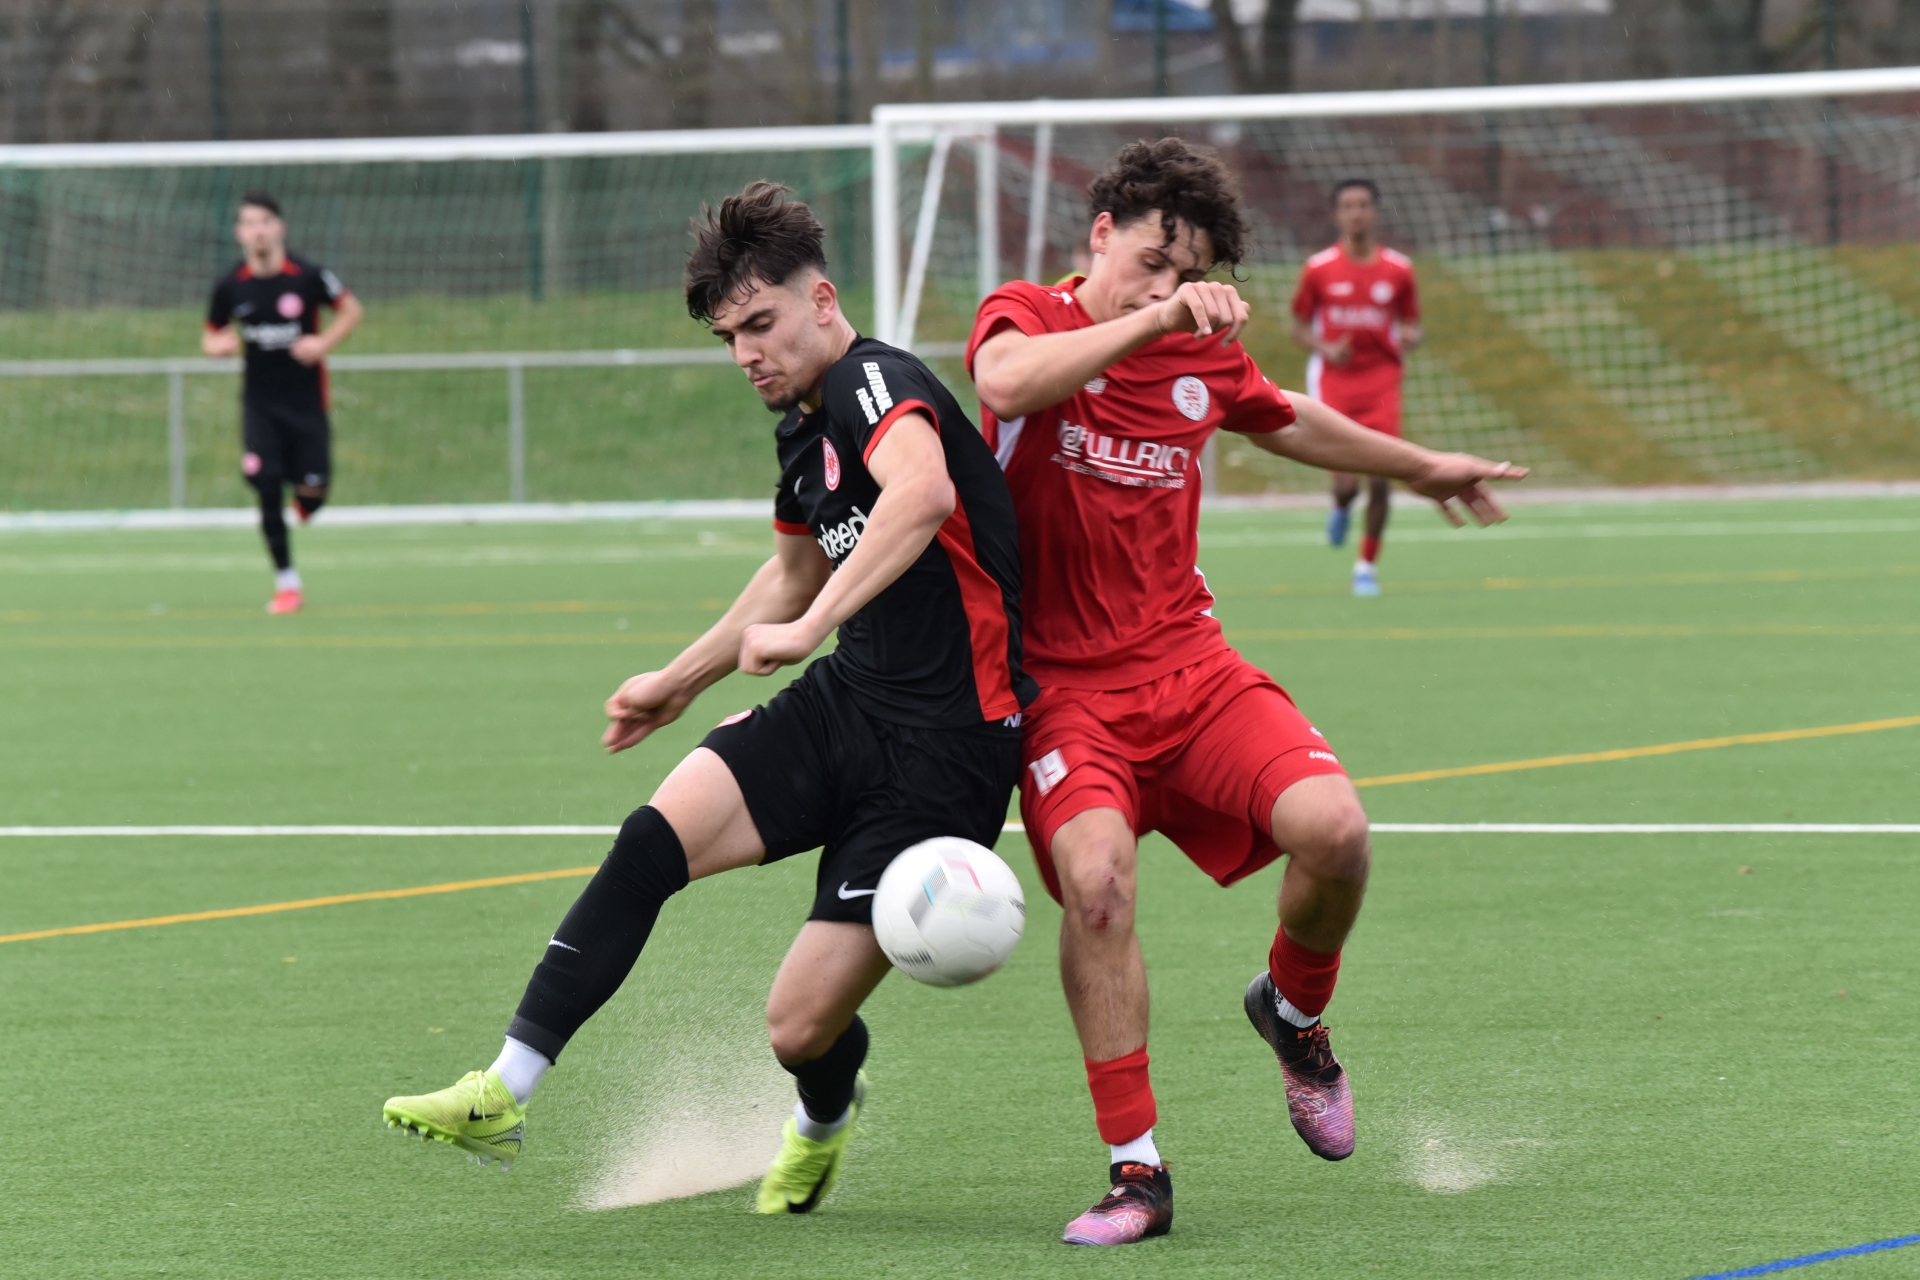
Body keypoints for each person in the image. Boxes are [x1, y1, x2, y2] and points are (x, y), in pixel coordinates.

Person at [381, 183, 1035, 1216]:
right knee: (653, 838)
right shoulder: (802, 429)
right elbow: (790, 576)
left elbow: (922, 495)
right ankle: (503, 1089)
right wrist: (678, 681)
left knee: (798, 1029)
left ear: (822, 300)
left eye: (760, 324)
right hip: (847, 705)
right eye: (730, 337)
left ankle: (822, 1118)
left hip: (947, 750)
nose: (746, 354)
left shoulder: (875, 378)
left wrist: (812, 628)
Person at [966, 139, 1523, 1246]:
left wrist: (1422, 467)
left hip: (1191, 667)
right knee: (1098, 886)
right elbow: (1006, 383)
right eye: (1150, 259)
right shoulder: (1027, 313)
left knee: (1338, 831)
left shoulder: (1202, 353)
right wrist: (1158, 319)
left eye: (1187, 271)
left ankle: (1294, 1011)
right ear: (1100, 236)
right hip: (1066, 691)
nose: (1165, 285)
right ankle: (1137, 1172)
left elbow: (1285, 414)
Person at [203, 192, 363, 614]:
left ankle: (304, 499)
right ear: (239, 233)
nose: (257, 231)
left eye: (265, 222)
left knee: (313, 492)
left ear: (280, 228)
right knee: (267, 485)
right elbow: (211, 334)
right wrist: (217, 347)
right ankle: (287, 583)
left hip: (308, 405)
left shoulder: (307, 276)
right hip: (260, 405)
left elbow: (351, 310)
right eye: (249, 223)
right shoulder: (230, 285)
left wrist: (323, 343)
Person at [1290, 178, 1422, 597]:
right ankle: (1341, 505)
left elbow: (1412, 322)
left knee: (1382, 477)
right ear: (1337, 214)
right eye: (1348, 206)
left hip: (1381, 382)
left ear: (1375, 211)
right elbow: (1298, 327)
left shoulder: (1399, 269)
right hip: (1336, 384)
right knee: (1347, 484)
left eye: (1363, 205)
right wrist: (1326, 347)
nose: (1356, 213)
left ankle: (1365, 566)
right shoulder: (1319, 268)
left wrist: (1411, 336)